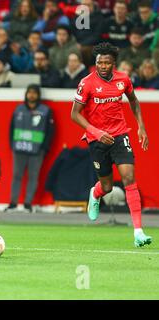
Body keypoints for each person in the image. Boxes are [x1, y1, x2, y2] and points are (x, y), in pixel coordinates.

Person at [71, 42, 152, 247]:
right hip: (97, 139)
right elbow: (74, 114)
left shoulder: (123, 79)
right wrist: (96, 132)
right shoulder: (87, 83)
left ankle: (138, 232)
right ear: (96, 63)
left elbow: (134, 101)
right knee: (107, 186)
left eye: (107, 62)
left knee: (129, 179)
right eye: (100, 62)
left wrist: (141, 126)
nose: (104, 66)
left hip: (119, 135)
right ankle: (95, 193)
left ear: (113, 63)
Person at [4, 84, 54, 213]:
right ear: (26, 94)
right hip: (19, 148)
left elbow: (50, 131)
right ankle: (13, 203)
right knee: (16, 175)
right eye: (29, 92)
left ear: (38, 95)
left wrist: (44, 148)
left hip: (37, 151)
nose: (31, 95)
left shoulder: (46, 111)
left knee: (33, 176)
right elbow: (11, 128)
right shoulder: (18, 109)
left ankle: (28, 204)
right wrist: (12, 144)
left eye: (34, 93)